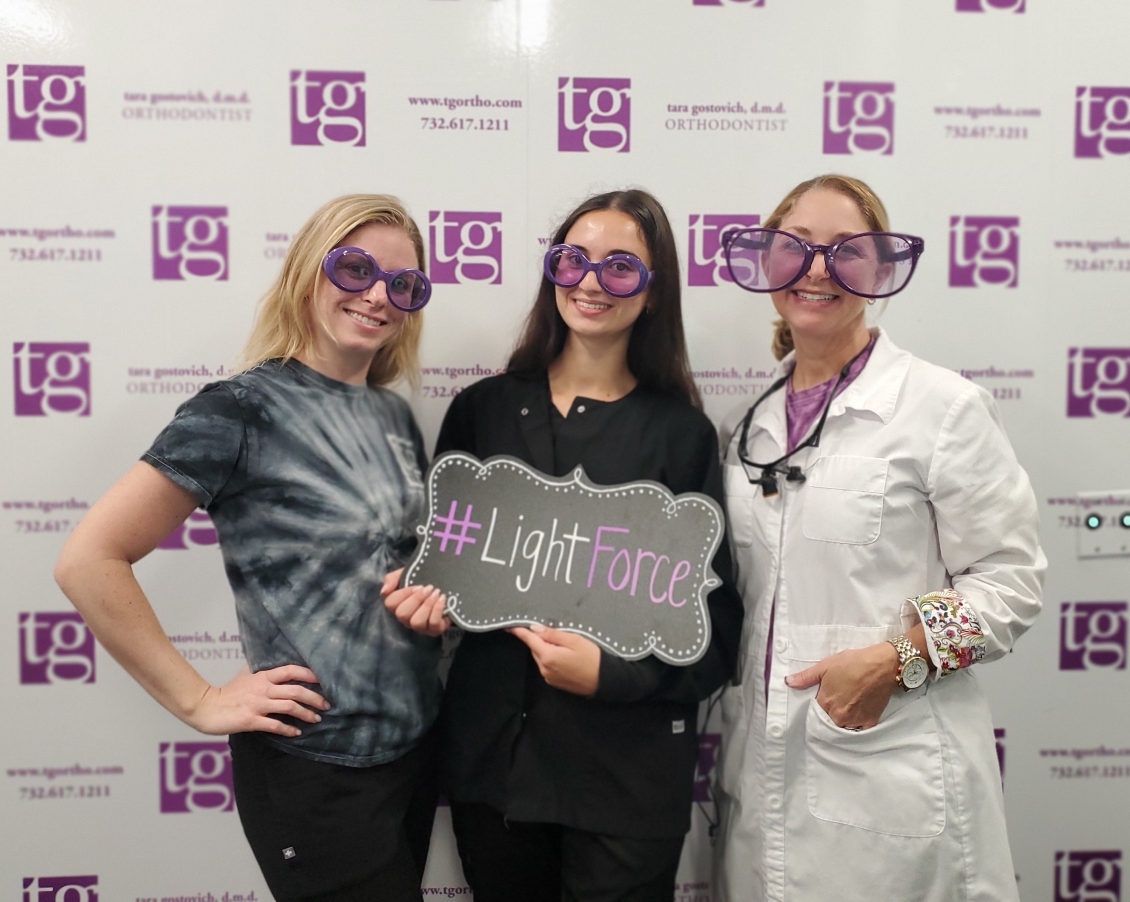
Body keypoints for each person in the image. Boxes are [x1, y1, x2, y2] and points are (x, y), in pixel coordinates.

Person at [55, 195, 441, 902]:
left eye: (403, 284)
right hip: (315, 769)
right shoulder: (238, 409)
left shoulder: (390, 412)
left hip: (411, 757)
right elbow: (88, 560)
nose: (379, 296)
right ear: (307, 271)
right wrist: (199, 701)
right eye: (356, 269)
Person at [384, 189, 744, 902]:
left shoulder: (682, 436)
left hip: (625, 784)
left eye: (620, 267)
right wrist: (426, 606)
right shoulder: (482, 411)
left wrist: (611, 675)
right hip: (495, 774)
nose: (590, 281)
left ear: (654, 290)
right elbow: (445, 569)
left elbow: (714, 634)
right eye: (573, 259)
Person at [712, 174, 1046, 902]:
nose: (818, 269)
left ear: (881, 270)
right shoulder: (747, 426)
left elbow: (1011, 584)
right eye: (797, 247)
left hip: (891, 768)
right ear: (768, 262)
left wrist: (900, 660)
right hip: (760, 775)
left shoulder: (941, 407)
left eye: (846, 250)